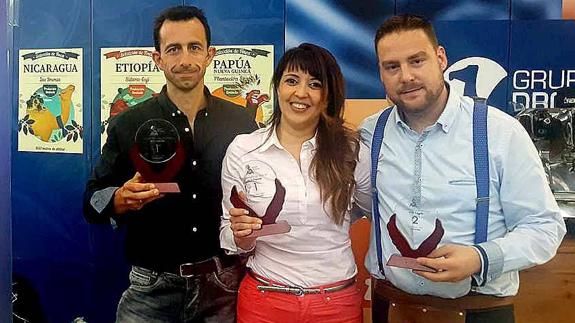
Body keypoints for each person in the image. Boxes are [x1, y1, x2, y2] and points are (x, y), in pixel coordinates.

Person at [360, 14, 567, 323]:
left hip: (478, 311)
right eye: (392, 66)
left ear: (440, 58)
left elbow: (545, 228)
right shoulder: (370, 132)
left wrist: (480, 258)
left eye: (417, 61)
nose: (406, 76)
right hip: (392, 307)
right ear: (381, 71)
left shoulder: (499, 132)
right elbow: (345, 201)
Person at [83, 5, 258, 323]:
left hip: (223, 287)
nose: (185, 60)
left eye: (194, 47)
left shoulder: (242, 123)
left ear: (209, 54)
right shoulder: (127, 124)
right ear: (158, 58)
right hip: (151, 290)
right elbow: (92, 201)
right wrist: (117, 199)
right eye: (173, 49)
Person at [220, 43, 371, 323]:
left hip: (336, 303)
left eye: (314, 84)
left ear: (327, 95)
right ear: (277, 87)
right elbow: (228, 234)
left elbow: (369, 209)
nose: (301, 93)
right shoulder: (243, 149)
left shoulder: (352, 150)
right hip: (264, 301)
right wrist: (242, 236)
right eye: (291, 81)